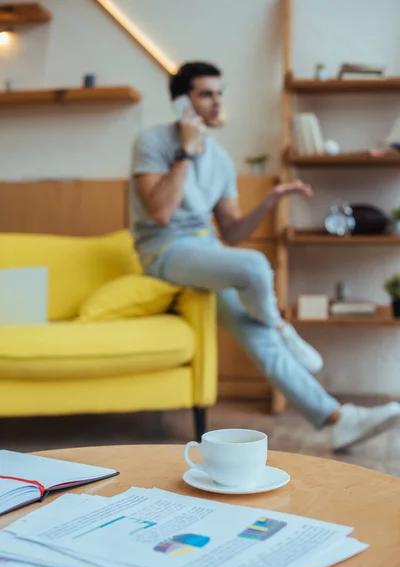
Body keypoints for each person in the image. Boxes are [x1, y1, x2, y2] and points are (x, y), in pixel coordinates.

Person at [130, 61, 400, 450]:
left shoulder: (221, 158)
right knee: (256, 267)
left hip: (207, 253)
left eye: (220, 93)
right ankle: (281, 326)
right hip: (162, 251)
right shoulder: (152, 142)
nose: (216, 102)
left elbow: (233, 233)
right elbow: (160, 213)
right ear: (180, 103)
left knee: (258, 336)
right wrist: (185, 153)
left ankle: (338, 418)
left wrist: (269, 202)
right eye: (205, 94)